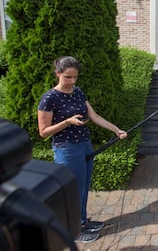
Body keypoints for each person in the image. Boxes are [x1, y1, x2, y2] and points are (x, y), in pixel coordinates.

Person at [37, 56, 127, 243]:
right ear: (58, 74)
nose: (72, 81)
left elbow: (93, 116)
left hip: (84, 145)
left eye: (75, 77)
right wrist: (67, 122)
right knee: (73, 190)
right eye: (67, 77)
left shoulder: (78, 92)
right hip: (66, 149)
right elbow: (43, 132)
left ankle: (82, 221)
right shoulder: (49, 98)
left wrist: (115, 129)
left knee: (84, 187)